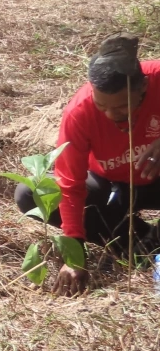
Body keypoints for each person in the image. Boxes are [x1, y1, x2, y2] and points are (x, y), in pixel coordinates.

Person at [14, 35, 160, 295]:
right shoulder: (79, 112)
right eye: (101, 105)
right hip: (113, 186)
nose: (110, 115)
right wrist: (74, 254)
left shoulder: (157, 76)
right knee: (32, 194)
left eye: (121, 108)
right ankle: (143, 239)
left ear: (143, 87)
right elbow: (70, 184)